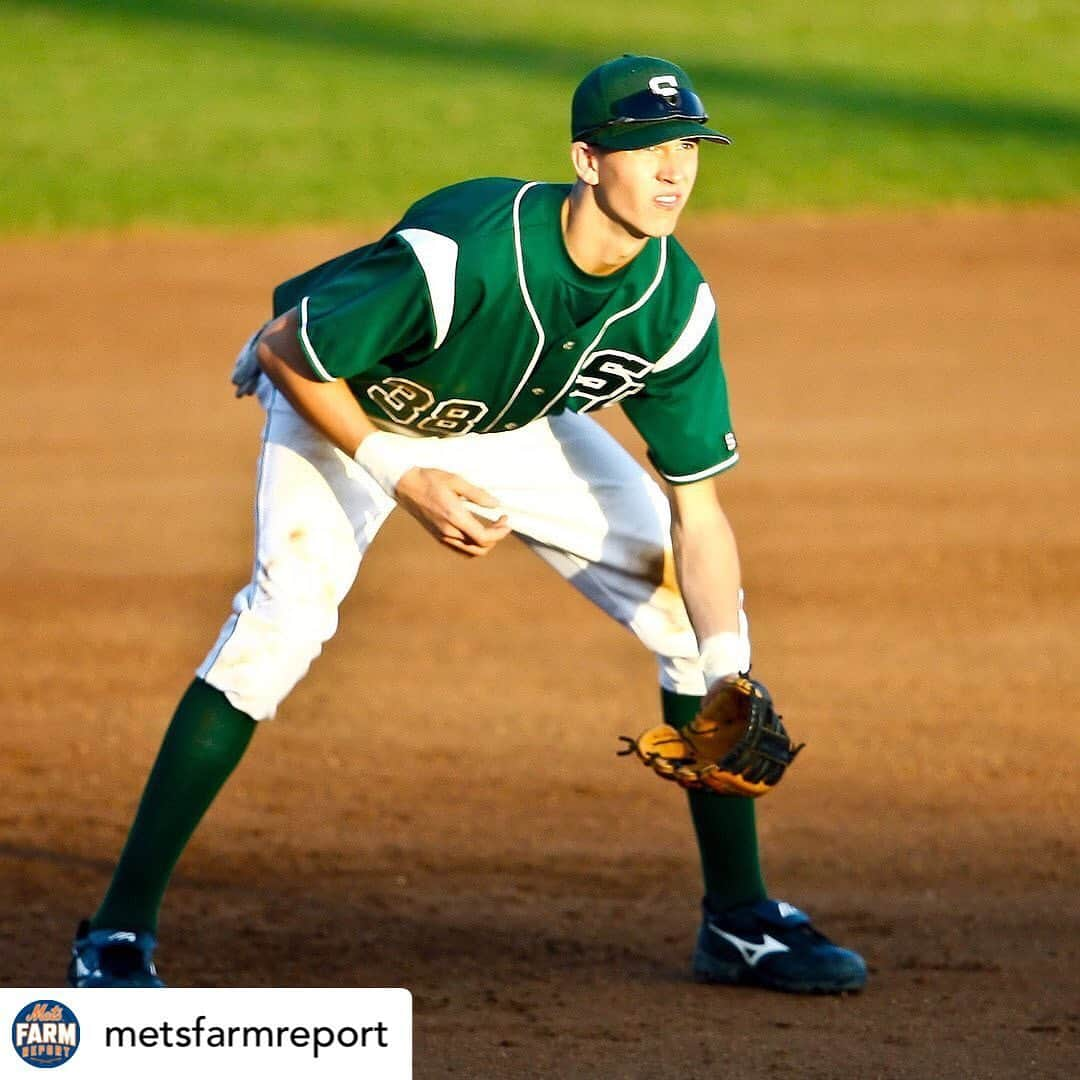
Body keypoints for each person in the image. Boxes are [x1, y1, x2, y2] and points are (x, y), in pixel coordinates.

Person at [67, 54, 866, 994]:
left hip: (506, 416)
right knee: (275, 633)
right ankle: (116, 935)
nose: (673, 170)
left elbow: (701, 514)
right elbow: (290, 349)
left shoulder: (675, 304)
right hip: (349, 403)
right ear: (585, 159)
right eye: (645, 146)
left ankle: (739, 922)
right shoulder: (468, 253)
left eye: (687, 144)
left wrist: (729, 673)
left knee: (692, 621)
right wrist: (406, 477)